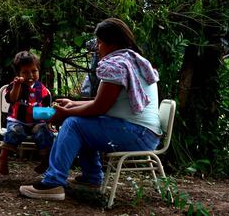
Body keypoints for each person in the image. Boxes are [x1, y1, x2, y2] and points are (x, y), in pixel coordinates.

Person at [19, 18, 163, 200]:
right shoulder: (130, 60)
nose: (97, 47)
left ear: (112, 44)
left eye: (100, 42)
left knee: (73, 124)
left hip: (136, 134)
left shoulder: (116, 65)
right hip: (142, 133)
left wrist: (66, 113)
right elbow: (104, 102)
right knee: (82, 124)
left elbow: (99, 107)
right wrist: (72, 104)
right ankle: (91, 178)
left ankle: (53, 183)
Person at [0, 50, 55, 176]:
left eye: (34, 71)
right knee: (14, 131)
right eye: (25, 72)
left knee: (45, 132)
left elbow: (46, 109)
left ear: (38, 71)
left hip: (36, 122)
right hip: (18, 121)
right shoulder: (15, 86)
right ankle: (3, 156)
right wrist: (17, 85)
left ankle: (45, 160)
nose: (30, 75)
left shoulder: (42, 89)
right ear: (18, 73)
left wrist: (50, 118)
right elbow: (11, 99)